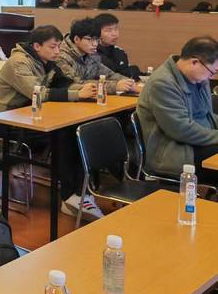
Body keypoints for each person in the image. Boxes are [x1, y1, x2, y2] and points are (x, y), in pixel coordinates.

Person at [0, 25, 101, 218]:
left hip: (34, 114)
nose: (58, 51)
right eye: (53, 47)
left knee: (77, 130)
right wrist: (77, 95)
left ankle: (80, 191)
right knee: (65, 135)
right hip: (9, 121)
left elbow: (64, 83)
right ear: (37, 46)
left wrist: (87, 89)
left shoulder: (48, 60)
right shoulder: (18, 62)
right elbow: (38, 93)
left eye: (59, 46)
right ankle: (69, 195)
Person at [137, 36, 218, 184]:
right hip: (175, 152)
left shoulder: (199, 79)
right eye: (211, 72)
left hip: (198, 142)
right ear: (195, 62)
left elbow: (208, 115)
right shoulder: (163, 83)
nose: (211, 76)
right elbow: (181, 129)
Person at [57, 18, 137, 95]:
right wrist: (115, 86)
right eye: (90, 39)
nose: (95, 44)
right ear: (76, 39)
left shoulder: (90, 54)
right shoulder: (61, 56)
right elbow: (75, 84)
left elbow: (109, 74)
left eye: (96, 40)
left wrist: (128, 82)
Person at [93, 13, 141, 81]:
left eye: (116, 29)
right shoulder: (92, 54)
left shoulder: (120, 52)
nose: (114, 34)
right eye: (108, 30)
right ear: (97, 33)